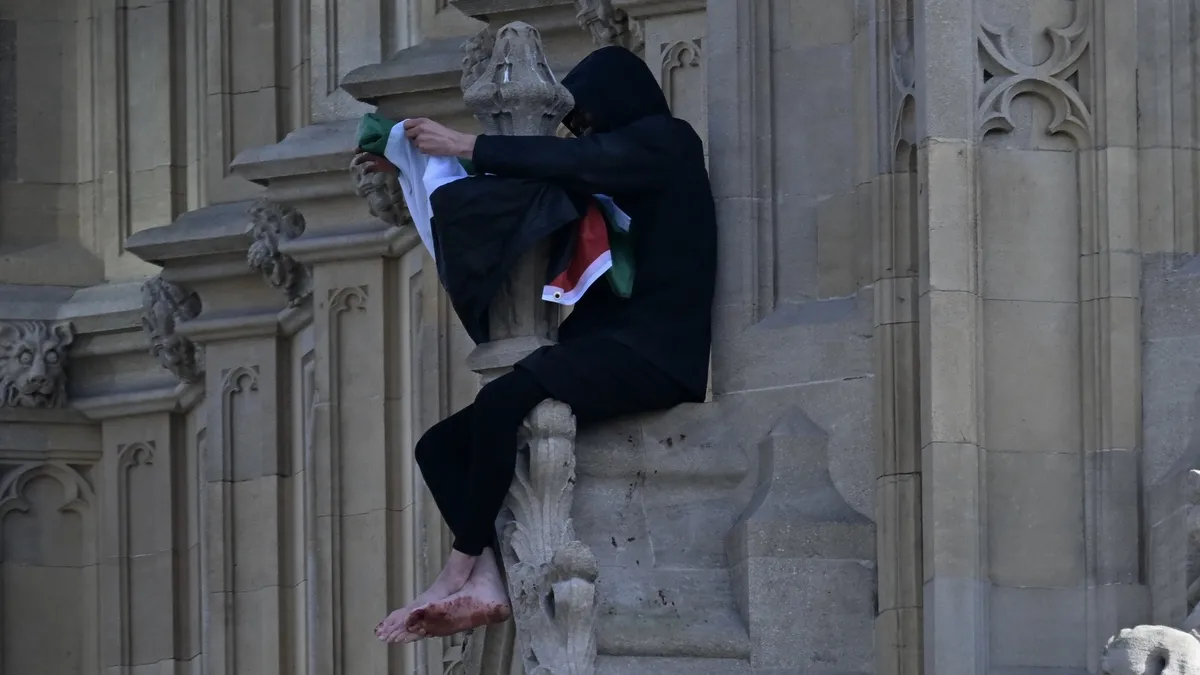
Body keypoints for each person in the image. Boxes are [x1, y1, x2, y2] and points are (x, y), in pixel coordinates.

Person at [374, 45, 718, 643]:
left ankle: (460, 566)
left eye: (583, 119)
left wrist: (463, 145)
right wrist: (411, 164)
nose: (580, 132)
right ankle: (487, 579)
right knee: (438, 447)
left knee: (504, 403)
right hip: (614, 344)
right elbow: (530, 186)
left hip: (658, 353)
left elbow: (581, 158)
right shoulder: (622, 166)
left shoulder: (669, 142)